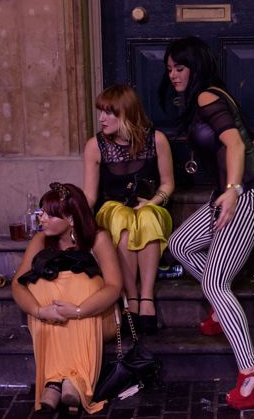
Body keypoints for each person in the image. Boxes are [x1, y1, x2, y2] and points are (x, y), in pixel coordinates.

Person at [159, 35, 254, 409]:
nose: (173, 75)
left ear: (196, 67)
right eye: (169, 69)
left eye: (180, 68)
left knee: (215, 282)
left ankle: (252, 373)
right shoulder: (216, 98)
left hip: (244, 197)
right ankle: (221, 310)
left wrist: (234, 189)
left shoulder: (208, 97)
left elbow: (236, 145)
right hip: (239, 193)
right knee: (180, 244)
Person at [11, 182, 122, 414]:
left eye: (50, 215)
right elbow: (17, 285)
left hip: (92, 316)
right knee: (40, 287)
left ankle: (74, 378)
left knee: (83, 284)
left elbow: (114, 286)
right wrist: (39, 310)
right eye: (42, 212)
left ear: (71, 218)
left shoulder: (97, 239)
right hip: (49, 317)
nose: (41, 219)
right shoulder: (40, 240)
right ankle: (55, 380)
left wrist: (79, 310)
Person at [83, 85, 174, 335]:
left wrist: (153, 202)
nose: (101, 118)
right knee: (122, 218)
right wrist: (73, 215)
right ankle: (131, 298)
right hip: (112, 208)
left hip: (149, 206)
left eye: (107, 112)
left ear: (126, 113)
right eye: (100, 112)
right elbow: (90, 195)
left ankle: (147, 297)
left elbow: (168, 184)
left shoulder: (157, 140)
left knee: (145, 217)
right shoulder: (95, 146)